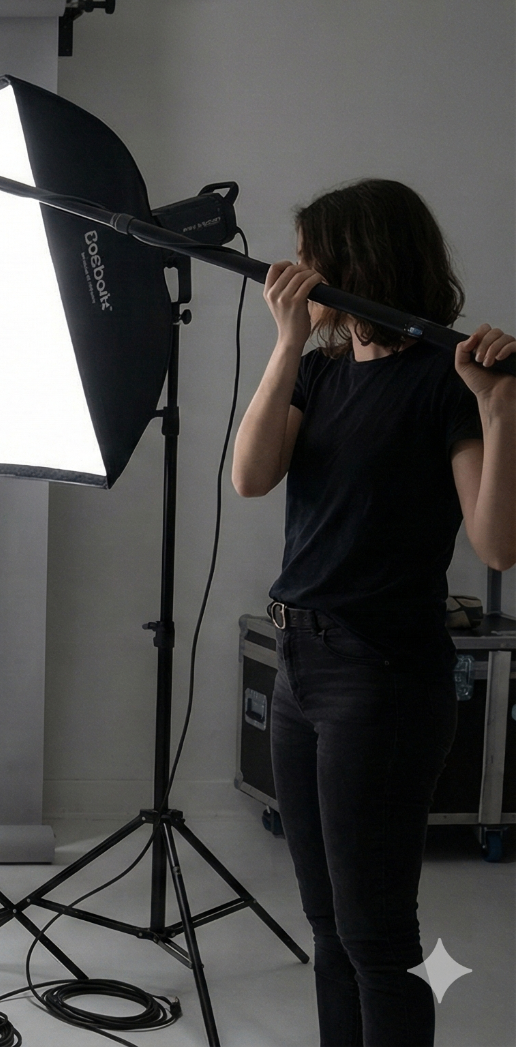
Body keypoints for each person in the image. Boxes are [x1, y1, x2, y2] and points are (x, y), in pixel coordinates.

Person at [231, 178, 516, 1046]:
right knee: (327, 929)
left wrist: (500, 408)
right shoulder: (317, 373)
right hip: (299, 666)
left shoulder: (446, 379)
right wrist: (287, 341)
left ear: (359, 262)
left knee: (376, 937)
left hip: (383, 678)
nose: (294, 272)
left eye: (310, 256)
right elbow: (250, 475)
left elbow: (498, 545)